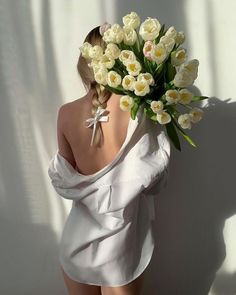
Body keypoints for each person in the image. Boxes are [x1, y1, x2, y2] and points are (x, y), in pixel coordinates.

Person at [48, 24, 171, 295]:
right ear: (126, 60)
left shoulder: (65, 114)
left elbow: (64, 180)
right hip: (121, 243)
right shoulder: (140, 112)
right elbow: (155, 178)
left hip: (77, 241)